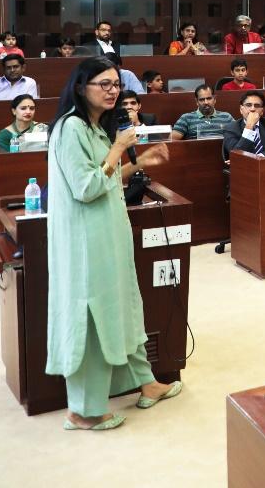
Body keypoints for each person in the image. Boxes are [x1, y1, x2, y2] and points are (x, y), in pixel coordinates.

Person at [44, 57, 179, 431]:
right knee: (93, 315)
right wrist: (121, 147)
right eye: (102, 83)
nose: (112, 90)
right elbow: (86, 188)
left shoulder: (95, 127)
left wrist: (140, 162)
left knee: (123, 305)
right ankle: (83, 411)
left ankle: (145, 383)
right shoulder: (70, 128)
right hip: (87, 243)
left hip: (109, 235)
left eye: (115, 84)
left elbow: (104, 176)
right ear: (79, 87)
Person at [223, 90, 265, 158]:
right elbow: (236, 155)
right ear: (241, 109)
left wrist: (260, 156)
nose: (252, 109)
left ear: (262, 111)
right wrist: (249, 127)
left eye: (257, 105)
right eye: (248, 105)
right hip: (244, 167)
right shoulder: (230, 128)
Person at [170, 85, 234, 140]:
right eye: (202, 99)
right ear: (197, 102)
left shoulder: (227, 117)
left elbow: (239, 136)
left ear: (214, 99)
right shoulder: (186, 118)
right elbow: (172, 141)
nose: (206, 102)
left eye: (209, 98)